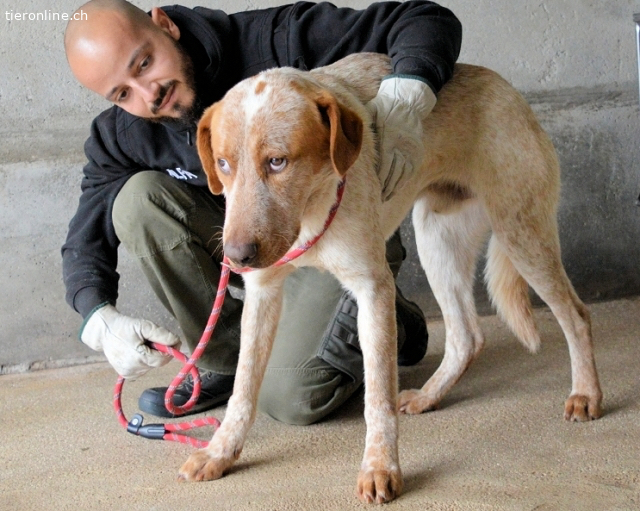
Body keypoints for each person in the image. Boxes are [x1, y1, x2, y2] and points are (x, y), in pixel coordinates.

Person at [62, 0, 462, 425]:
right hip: (250, 247)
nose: (149, 94)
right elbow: (89, 226)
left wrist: (408, 97)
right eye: (122, 94)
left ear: (165, 25)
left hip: (336, 237)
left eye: (144, 63)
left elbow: (423, 18)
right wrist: (97, 316)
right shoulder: (124, 132)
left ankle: (389, 319)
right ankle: (226, 363)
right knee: (136, 200)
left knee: (293, 399)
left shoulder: (279, 39)